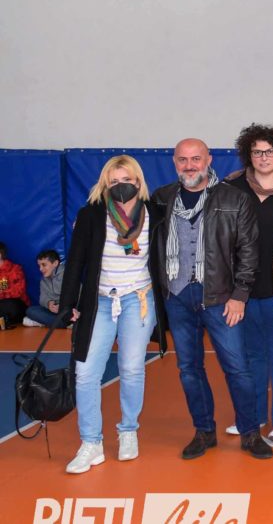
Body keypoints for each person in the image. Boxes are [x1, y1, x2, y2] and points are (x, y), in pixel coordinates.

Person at [152, 138, 272, 460]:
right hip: (178, 297)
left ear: (208, 160)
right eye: (183, 160)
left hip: (220, 298)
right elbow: (138, 231)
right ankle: (204, 431)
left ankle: (250, 432)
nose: (189, 165)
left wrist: (240, 295)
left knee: (238, 369)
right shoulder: (162, 198)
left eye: (196, 159)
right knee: (189, 369)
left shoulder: (234, 198)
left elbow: (249, 251)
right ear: (174, 162)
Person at [58, 155, 166, 473]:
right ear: (105, 183)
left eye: (126, 180)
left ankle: (128, 430)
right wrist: (67, 304)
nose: (121, 186)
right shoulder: (91, 215)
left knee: (131, 367)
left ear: (138, 181)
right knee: (85, 372)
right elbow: (75, 262)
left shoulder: (156, 214)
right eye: (114, 181)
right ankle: (91, 443)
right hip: (101, 301)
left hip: (139, 299)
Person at [224, 124, 273, 443]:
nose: (263, 157)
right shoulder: (230, 189)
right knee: (249, 357)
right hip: (240, 292)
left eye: (270, 151)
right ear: (248, 155)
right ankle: (253, 416)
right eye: (257, 152)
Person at [25, 249, 68, 328]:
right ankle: (57, 322)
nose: (40, 269)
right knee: (31, 310)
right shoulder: (44, 280)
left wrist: (63, 305)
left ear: (55, 263)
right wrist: (49, 304)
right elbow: (43, 298)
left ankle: (58, 323)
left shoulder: (67, 274)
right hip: (55, 312)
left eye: (44, 265)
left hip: (69, 310)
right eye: (39, 266)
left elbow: (77, 295)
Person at [0, 242, 29, 328]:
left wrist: (3, 292)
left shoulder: (15, 269)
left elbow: (19, 292)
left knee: (10, 305)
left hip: (16, 305)